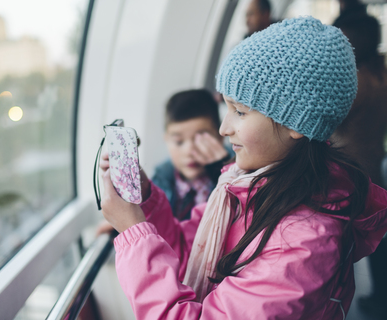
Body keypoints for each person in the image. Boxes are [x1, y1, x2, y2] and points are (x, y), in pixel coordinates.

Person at [99, 17, 387, 319]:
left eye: (239, 111)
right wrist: (145, 203)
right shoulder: (243, 189)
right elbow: (191, 251)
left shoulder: (303, 245)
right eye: (226, 108)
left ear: (296, 123)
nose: (223, 129)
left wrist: (134, 231)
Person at [331, 13, 387, 317]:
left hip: (349, 170)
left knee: (340, 244)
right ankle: (379, 296)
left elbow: (327, 117)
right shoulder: (380, 73)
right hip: (373, 163)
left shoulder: (357, 82)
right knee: (376, 240)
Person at [151, 89, 230, 221]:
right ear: (166, 139)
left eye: (201, 140)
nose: (190, 151)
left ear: (220, 136)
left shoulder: (240, 177)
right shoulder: (158, 182)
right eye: (179, 142)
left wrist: (223, 172)